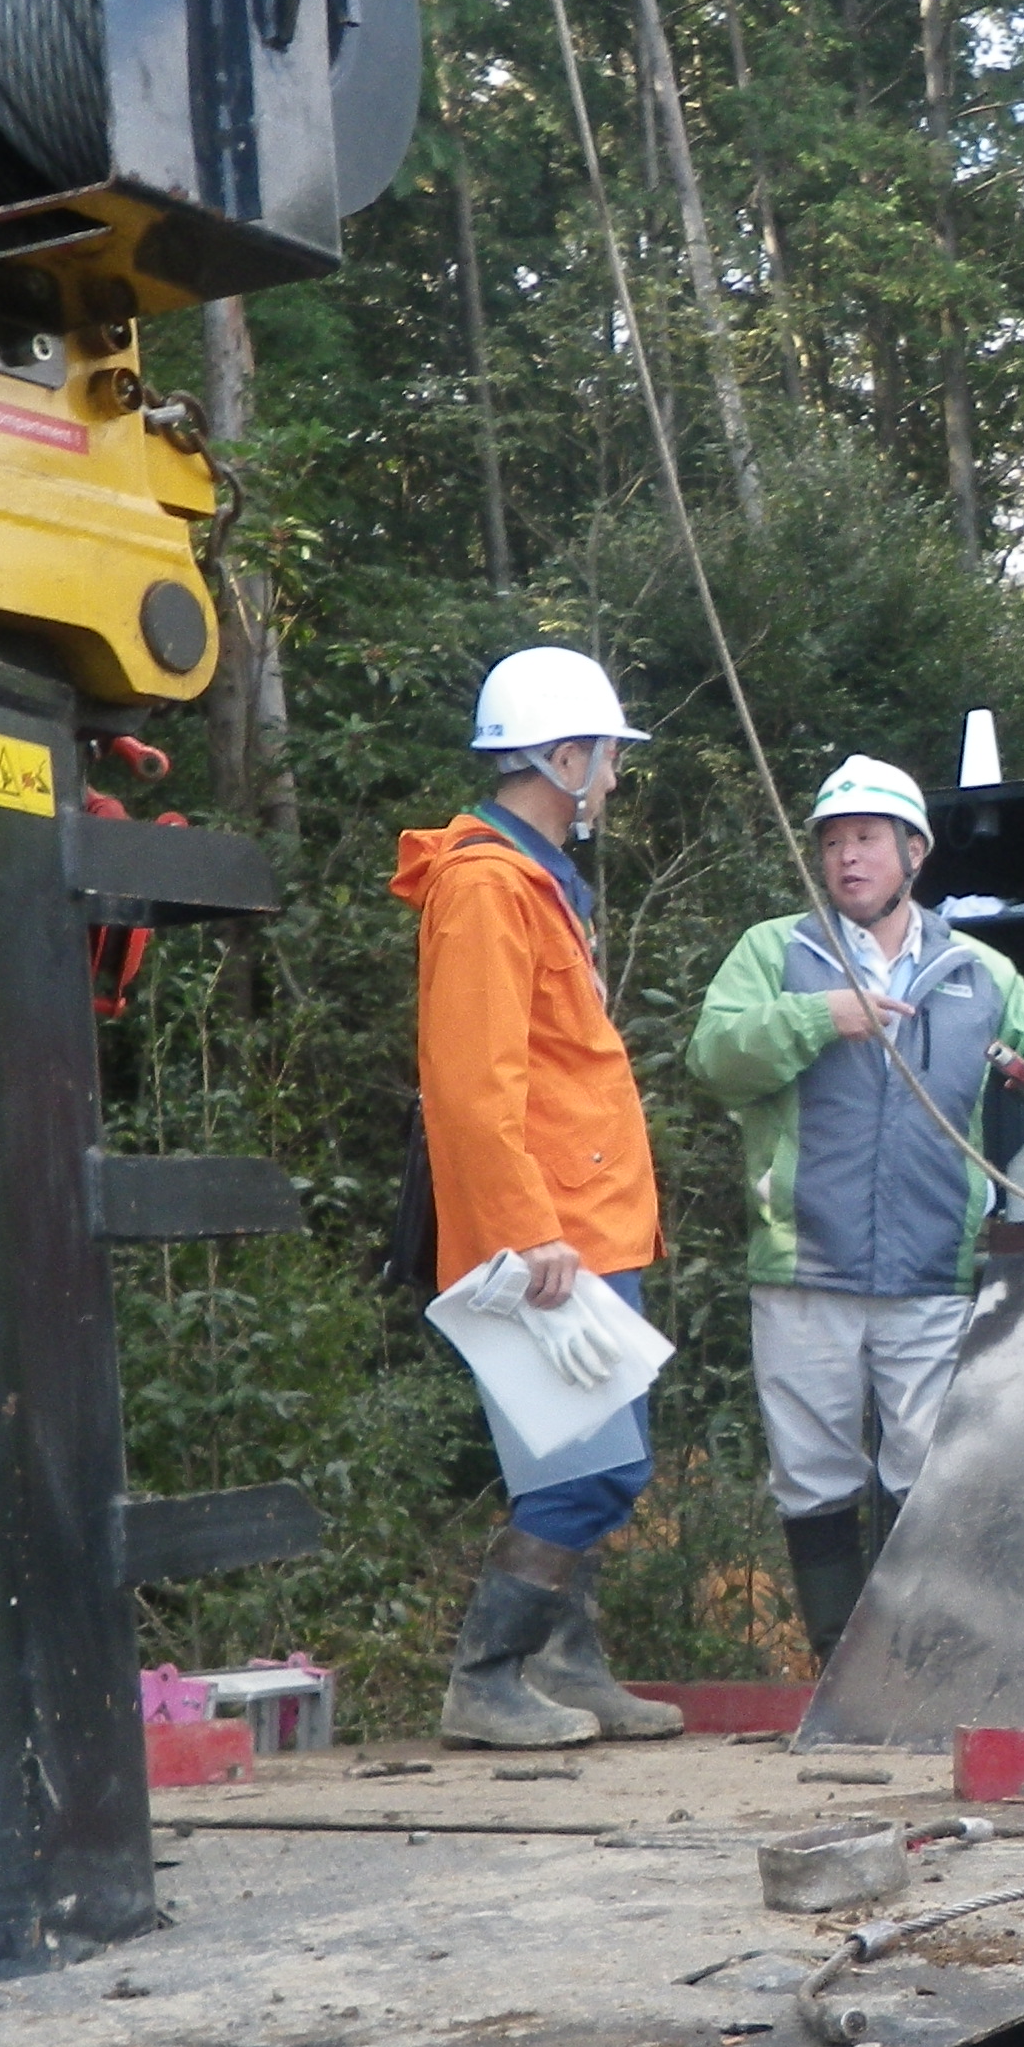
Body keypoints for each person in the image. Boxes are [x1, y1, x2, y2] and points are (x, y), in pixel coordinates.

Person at [688, 755, 1024, 1657]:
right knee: (813, 1478)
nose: (847, 858)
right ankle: (842, 1664)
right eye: (833, 842)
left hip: (930, 1272)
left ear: (915, 851)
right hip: (804, 1265)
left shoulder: (974, 969)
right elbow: (712, 1059)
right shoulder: (775, 952)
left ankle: (921, 1663)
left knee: (930, 1469)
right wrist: (815, 1018)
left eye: (867, 839)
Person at [388, 646, 684, 1749]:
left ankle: (568, 1662)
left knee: (588, 1458)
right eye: (604, 759)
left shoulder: (532, 882)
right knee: (597, 1467)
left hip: (584, 1223)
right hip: (550, 1236)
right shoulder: (484, 887)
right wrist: (525, 1235)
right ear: (563, 759)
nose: (611, 780)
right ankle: (489, 1674)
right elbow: (470, 1085)